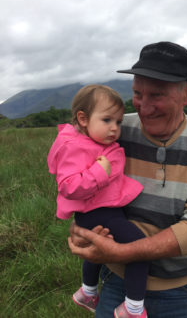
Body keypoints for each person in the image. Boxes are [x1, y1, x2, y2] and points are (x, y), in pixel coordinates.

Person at [68, 41, 187, 318]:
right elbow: (79, 177)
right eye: (137, 93)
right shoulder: (116, 129)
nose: (144, 107)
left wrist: (124, 253)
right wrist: (82, 229)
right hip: (117, 284)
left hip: (182, 293)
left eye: (156, 95)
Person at [47, 85, 150, 317]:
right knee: (140, 248)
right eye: (107, 120)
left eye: (119, 122)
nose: (114, 128)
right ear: (83, 119)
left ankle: (88, 291)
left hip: (98, 212)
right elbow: (68, 186)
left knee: (97, 249)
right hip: (98, 211)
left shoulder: (92, 142)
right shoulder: (74, 146)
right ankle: (133, 308)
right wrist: (99, 172)